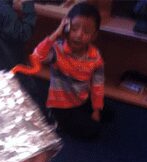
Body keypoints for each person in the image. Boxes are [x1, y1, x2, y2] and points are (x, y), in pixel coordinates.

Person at [31, 2, 107, 140]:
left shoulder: (95, 56)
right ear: (66, 27)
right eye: (74, 28)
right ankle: (57, 121)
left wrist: (96, 110)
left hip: (81, 99)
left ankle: (86, 115)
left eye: (87, 31)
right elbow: (37, 56)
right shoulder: (57, 50)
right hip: (61, 106)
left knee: (107, 111)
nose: (79, 35)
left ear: (94, 35)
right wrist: (56, 32)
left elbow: (98, 86)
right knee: (93, 131)